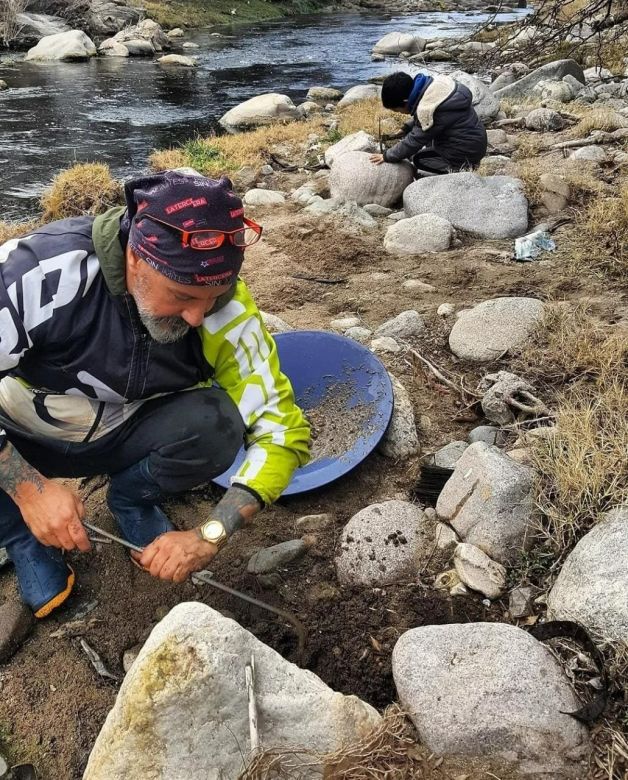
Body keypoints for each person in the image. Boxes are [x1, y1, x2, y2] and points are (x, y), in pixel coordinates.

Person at [0, 170, 310, 618]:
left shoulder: (226, 308)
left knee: (217, 423)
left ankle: (131, 496)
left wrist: (210, 535)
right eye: (182, 295)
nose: (199, 317)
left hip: (127, 429)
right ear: (135, 260)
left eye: (213, 296)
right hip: (25, 425)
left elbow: (282, 429)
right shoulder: (38, 273)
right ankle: (19, 534)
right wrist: (29, 490)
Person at [370, 71, 487, 176]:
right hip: (474, 142)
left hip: (465, 151)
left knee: (418, 159)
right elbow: (430, 117)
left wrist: (387, 156)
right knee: (420, 146)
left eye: (396, 110)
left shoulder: (431, 110)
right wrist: (406, 128)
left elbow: (414, 141)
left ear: (405, 102)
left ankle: (463, 169)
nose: (399, 113)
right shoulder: (434, 88)